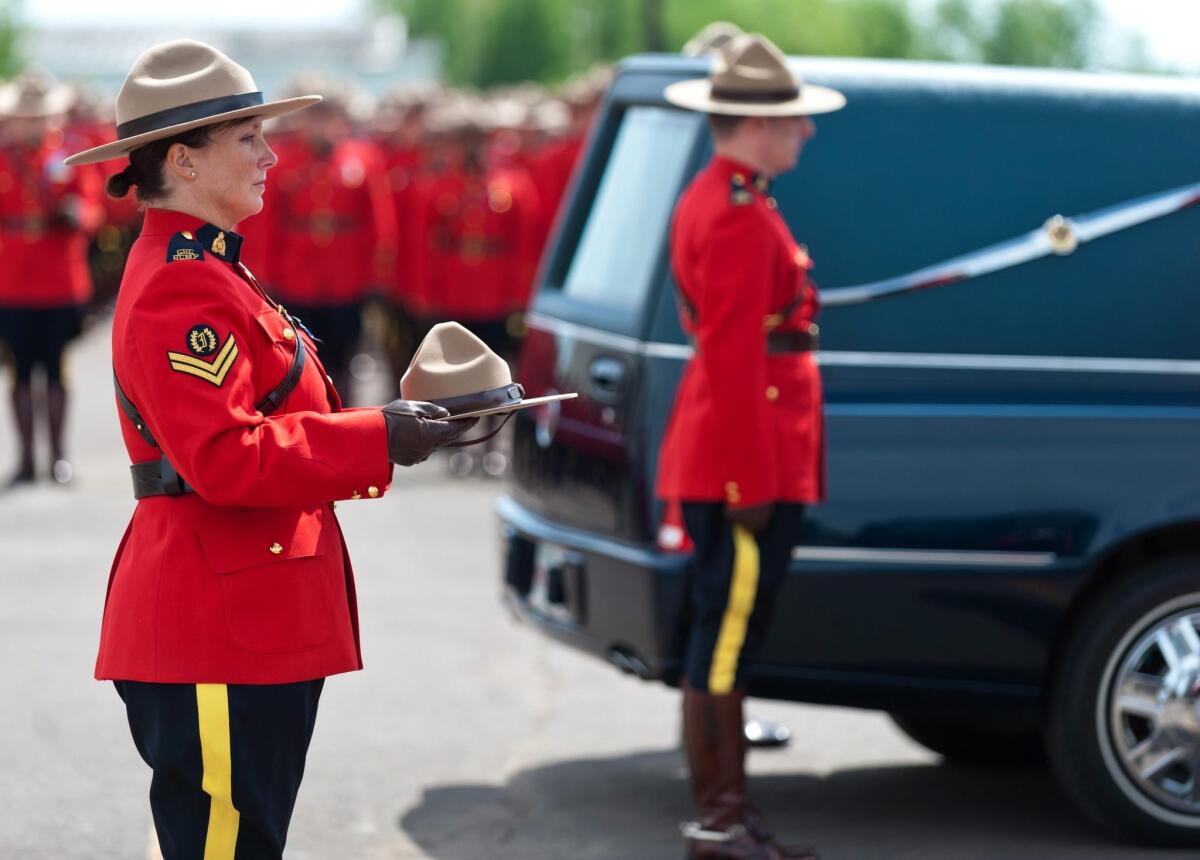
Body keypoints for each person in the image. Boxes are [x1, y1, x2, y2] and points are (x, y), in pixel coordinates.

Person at [64, 39, 473, 859]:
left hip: (242, 618)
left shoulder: (210, 269)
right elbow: (226, 458)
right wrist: (381, 436)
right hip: (217, 625)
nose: (270, 155)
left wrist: (398, 422)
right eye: (247, 138)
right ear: (182, 160)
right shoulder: (183, 281)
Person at [657, 33, 846, 859]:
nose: (805, 133)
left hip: (747, 447)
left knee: (723, 632)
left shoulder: (738, 197)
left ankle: (725, 814)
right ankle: (721, 821)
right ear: (758, 125)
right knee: (725, 635)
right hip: (743, 454)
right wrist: (746, 479)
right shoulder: (734, 213)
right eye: (794, 120)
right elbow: (736, 358)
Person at [0, 72, 102, 485]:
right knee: (21, 370)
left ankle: (58, 456)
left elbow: (94, 210)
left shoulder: (69, 156)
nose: (32, 124)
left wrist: (77, 213)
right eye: (25, 117)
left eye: (39, 116)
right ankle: (26, 459)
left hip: (60, 277)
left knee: (57, 368)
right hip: (11, 279)